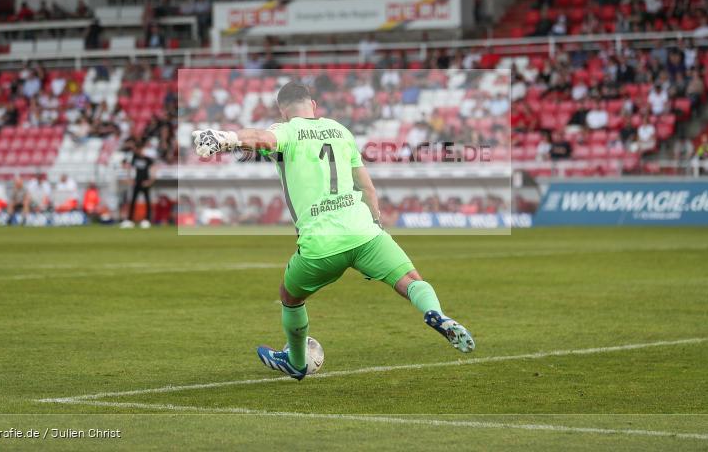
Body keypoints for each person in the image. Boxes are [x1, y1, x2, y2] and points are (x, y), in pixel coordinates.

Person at [191, 81, 475, 380]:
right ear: (313, 105)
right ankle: (436, 314)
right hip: (365, 232)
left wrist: (225, 138)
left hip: (321, 244)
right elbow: (366, 185)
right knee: (411, 281)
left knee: (290, 297)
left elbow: (262, 139)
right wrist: (375, 224)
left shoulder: (288, 130)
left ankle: (297, 362)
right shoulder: (341, 131)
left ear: (282, 111)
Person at [121, 141, 155, 228]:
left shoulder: (147, 159)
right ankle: (130, 220)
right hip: (137, 182)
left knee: (147, 201)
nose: (138, 151)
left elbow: (153, 169)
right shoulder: (134, 158)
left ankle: (147, 220)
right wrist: (129, 179)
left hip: (145, 182)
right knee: (133, 201)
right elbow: (129, 167)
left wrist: (150, 181)